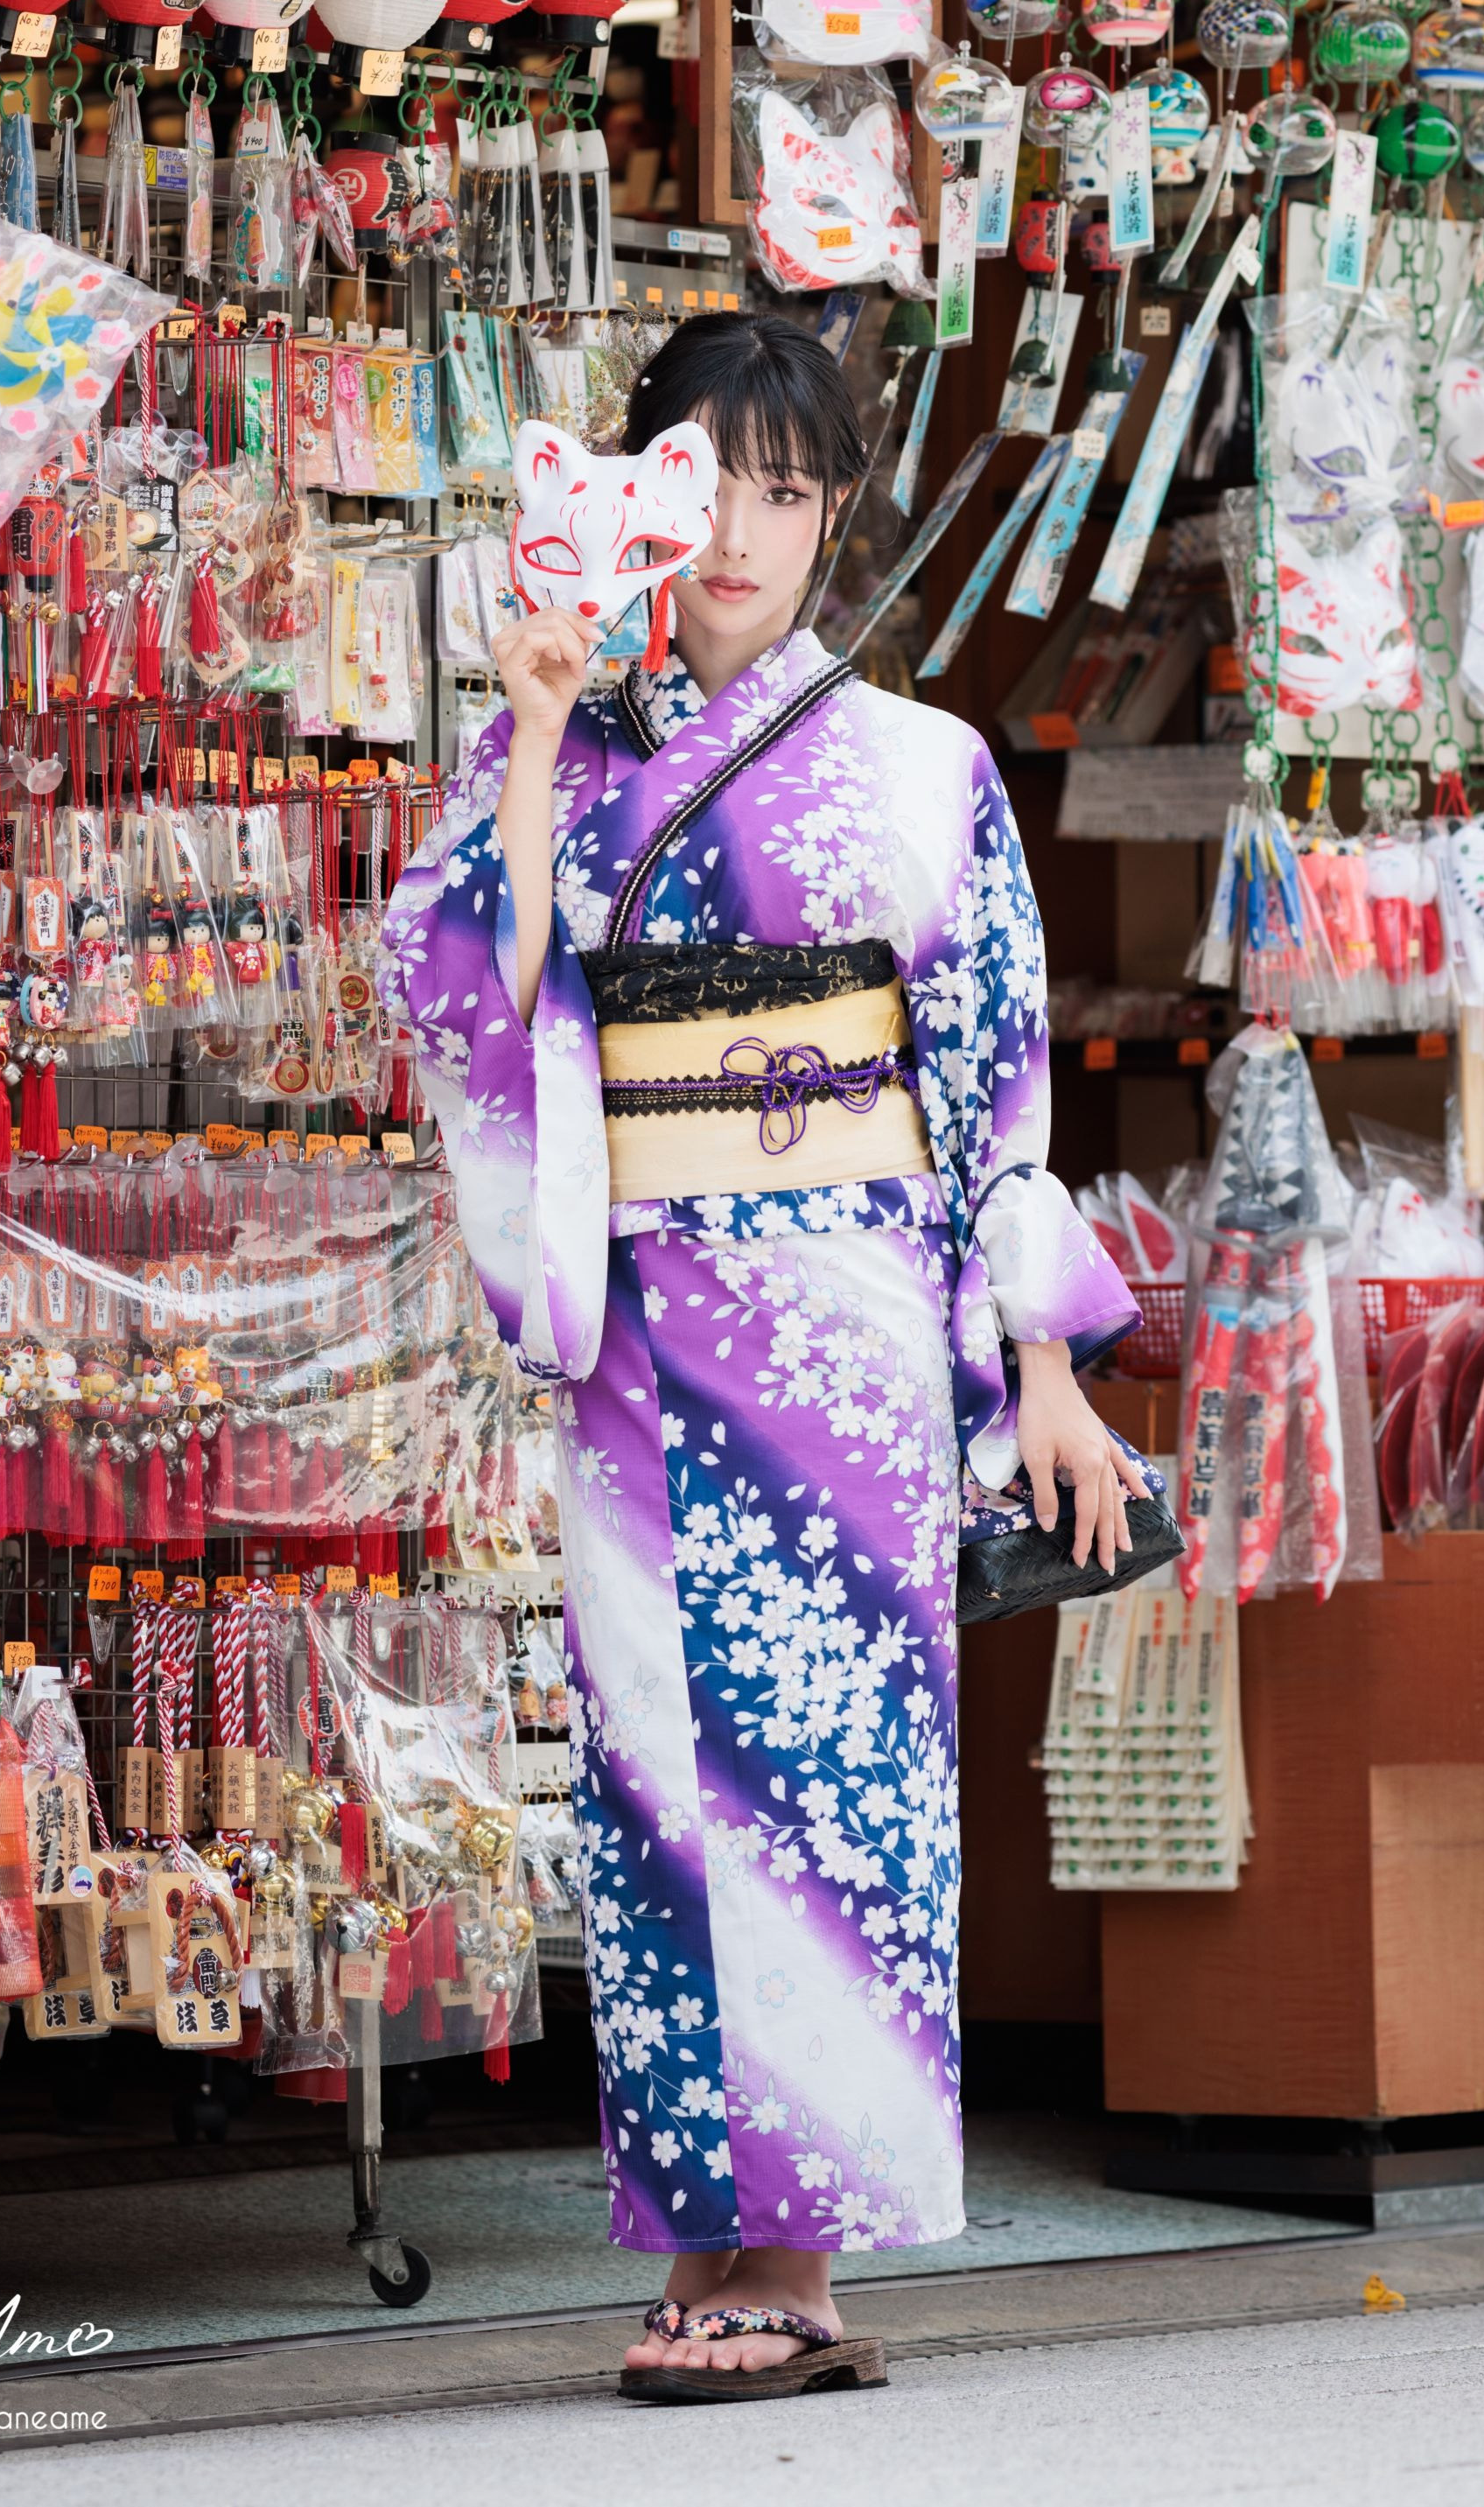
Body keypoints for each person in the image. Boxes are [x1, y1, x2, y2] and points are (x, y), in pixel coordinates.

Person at [381, 312, 1144, 2401]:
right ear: (631, 487)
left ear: (832, 518)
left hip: (849, 1323)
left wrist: (1046, 1365)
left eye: (792, 492)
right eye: (706, 479)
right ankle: (701, 2224)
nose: (745, 531)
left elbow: (989, 1084)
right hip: (646, 1337)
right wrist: (533, 725)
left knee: (833, 1775)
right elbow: (477, 991)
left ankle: (796, 2258)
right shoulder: (572, 737)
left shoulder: (927, 767)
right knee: (657, 1781)